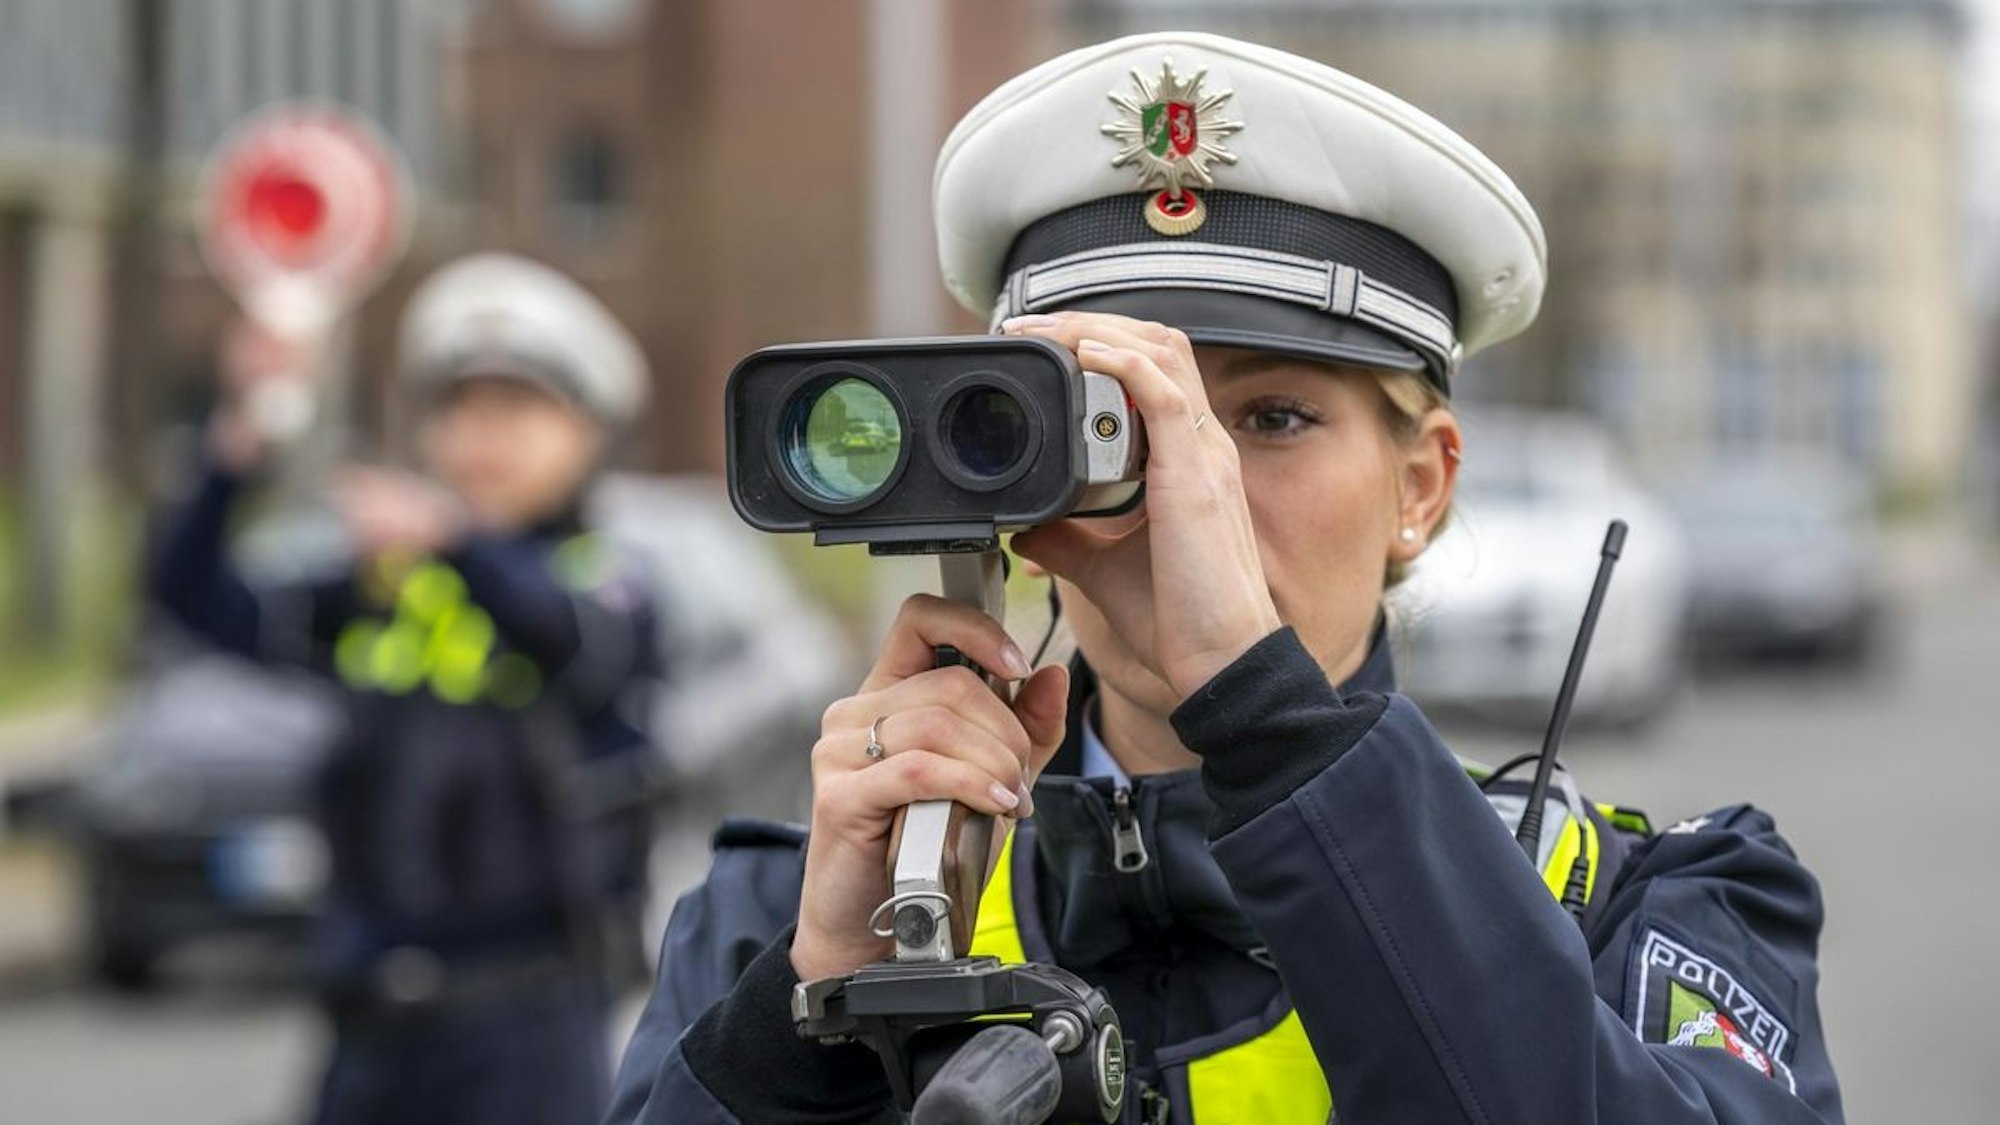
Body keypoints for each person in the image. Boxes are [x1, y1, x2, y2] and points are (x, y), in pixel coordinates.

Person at [607, 32, 1843, 1125]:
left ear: (1421, 486)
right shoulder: (784, 911)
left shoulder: (1635, 907)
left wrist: (1269, 719)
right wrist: (810, 1019)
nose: (1189, 483)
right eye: (1123, 425)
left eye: (1273, 417)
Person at [151, 253, 663, 1125]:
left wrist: (451, 539)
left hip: (529, 1025)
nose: (480, 436)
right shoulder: (385, 586)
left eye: (516, 407)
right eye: (459, 407)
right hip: (371, 1018)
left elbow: (564, 640)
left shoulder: (605, 579)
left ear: (589, 429)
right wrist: (239, 447)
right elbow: (196, 600)